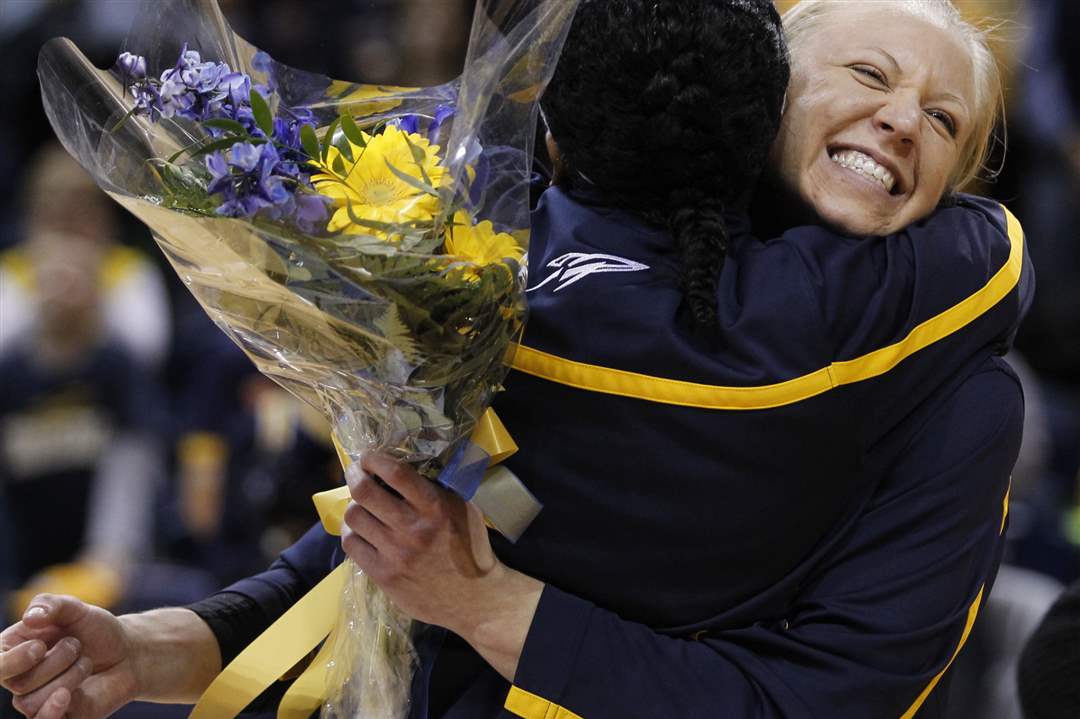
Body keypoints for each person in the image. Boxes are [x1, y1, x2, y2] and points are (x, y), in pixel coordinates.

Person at [0, 1, 1031, 717]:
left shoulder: (961, 397)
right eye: (867, 74)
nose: (903, 119)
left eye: (947, 119)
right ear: (761, 89)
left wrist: (494, 606)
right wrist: (157, 647)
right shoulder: (512, 285)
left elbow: (822, 701)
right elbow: (402, 540)